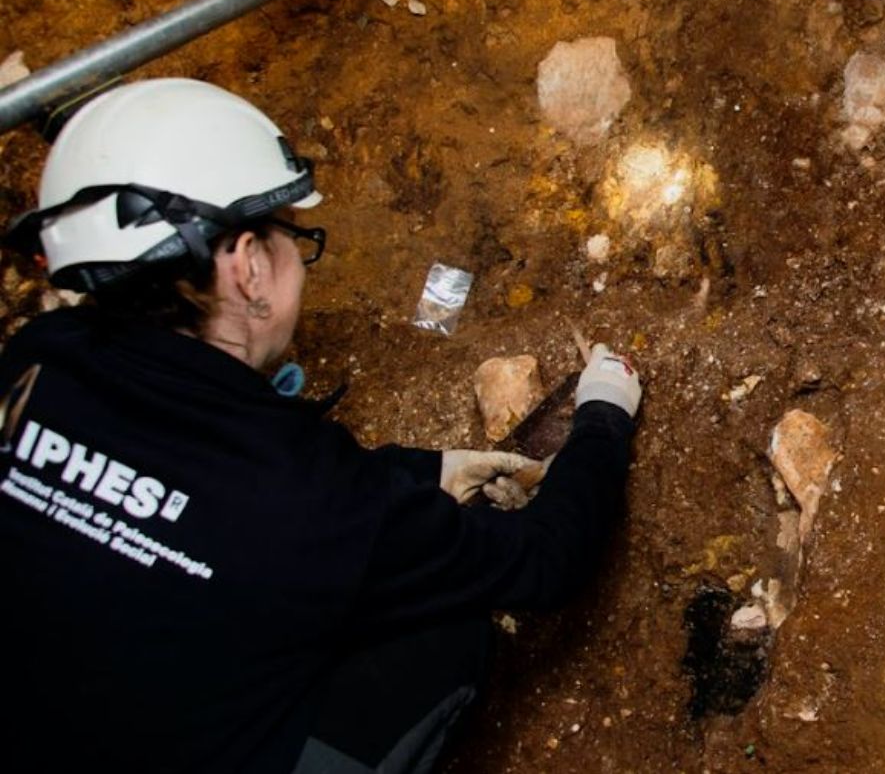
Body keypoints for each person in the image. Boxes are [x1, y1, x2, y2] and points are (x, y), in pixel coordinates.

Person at [0, 78, 642, 773]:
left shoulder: (31, 367)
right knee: (449, 632)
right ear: (247, 266)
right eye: (288, 237)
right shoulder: (299, 497)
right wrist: (603, 414)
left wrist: (427, 471)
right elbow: (545, 560)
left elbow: (192, 494)